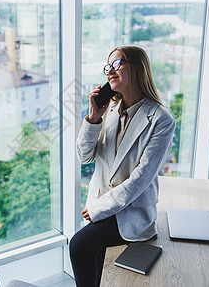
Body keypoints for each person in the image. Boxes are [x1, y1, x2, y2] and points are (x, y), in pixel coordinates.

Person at [70, 45, 176, 287]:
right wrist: (94, 116)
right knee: (94, 258)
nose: (110, 71)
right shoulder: (111, 110)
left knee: (79, 245)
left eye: (117, 64)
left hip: (131, 211)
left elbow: (141, 178)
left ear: (137, 68)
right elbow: (84, 156)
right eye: (108, 66)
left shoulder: (161, 119)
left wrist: (99, 209)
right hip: (100, 204)